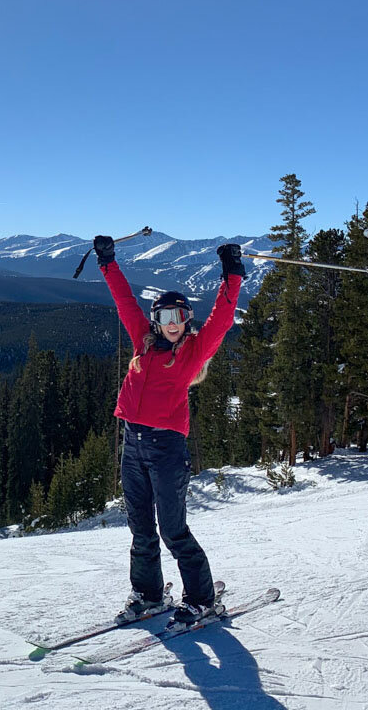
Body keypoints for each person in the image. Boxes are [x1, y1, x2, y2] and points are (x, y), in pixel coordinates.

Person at [93, 235, 245, 627]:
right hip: (132, 444)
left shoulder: (194, 351)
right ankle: (148, 594)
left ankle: (202, 599)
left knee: (173, 529)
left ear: (187, 320)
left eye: (178, 318)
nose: (172, 325)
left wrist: (232, 273)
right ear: (156, 322)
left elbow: (223, 319)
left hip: (166, 449)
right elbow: (125, 300)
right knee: (140, 527)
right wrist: (108, 262)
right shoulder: (143, 343)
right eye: (164, 318)